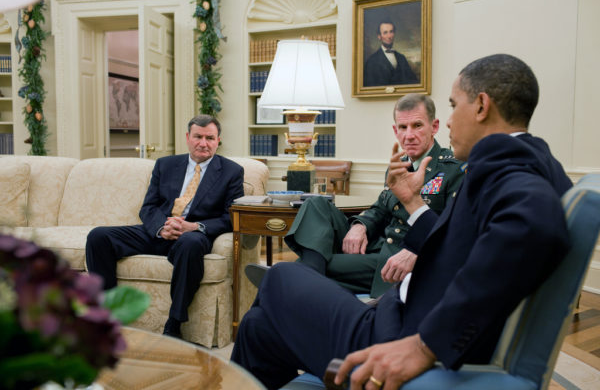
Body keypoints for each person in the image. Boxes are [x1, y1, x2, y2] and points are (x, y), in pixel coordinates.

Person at [231, 54, 573, 390]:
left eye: (454, 106)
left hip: (393, 334)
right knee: (258, 327)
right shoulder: (530, 159)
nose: (451, 120)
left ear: (481, 106)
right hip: (395, 310)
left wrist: (426, 345)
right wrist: (413, 202)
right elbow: (460, 243)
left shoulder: (506, 166)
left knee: (279, 277)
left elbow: (536, 223)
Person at [270, 94, 464, 298]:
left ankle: (297, 276)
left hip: (399, 257)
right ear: (395, 130)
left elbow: (452, 229)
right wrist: (359, 226)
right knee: (316, 203)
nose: (409, 135)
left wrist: (416, 250)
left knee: (315, 264)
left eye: (417, 125)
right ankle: (306, 274)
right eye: (402, 127)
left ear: (434, 127)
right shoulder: (398, 165)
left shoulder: (453, 169)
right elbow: (381, 208)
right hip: (377, 244)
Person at [86, 114, 244, 339]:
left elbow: (231, 217)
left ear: (218, 140)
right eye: (198, 136)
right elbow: (148, 207)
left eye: (210, 138)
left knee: (190, 244)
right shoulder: (166, 164)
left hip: (192, 236)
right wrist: (161, 227)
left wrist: (194, 226)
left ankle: (174, 324)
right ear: (187, 138)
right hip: (159, 231)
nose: (203, 143)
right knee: (98, 237)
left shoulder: (231, 171)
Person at [364, 20, 419, 87]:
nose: (389, 36)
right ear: (379, 36)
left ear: (394, 33)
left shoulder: (401, 58)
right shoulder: (371, 61)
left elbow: (413, 82)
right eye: (385, 33)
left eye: (391, 32)